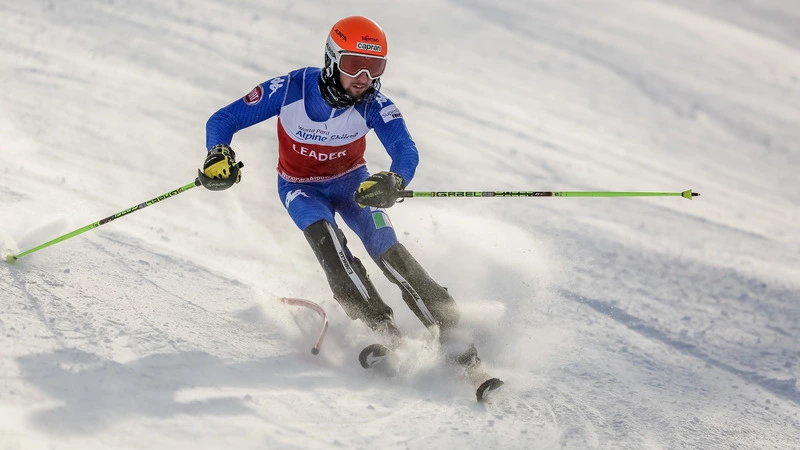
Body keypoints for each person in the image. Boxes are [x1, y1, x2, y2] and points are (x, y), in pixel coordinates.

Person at [199, 16, 472, 358]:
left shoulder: (374, 104)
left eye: (375, 68)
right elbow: (224, 119)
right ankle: (382, 330)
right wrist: (218, 153)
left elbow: (405, 149)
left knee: (388, 253)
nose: (364, 78)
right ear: (331, 59)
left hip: (354, 184)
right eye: (354, 64)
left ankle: (452, 328)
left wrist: (395, 179)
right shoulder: (291, 89)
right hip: (301, 189)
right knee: (330, 249)